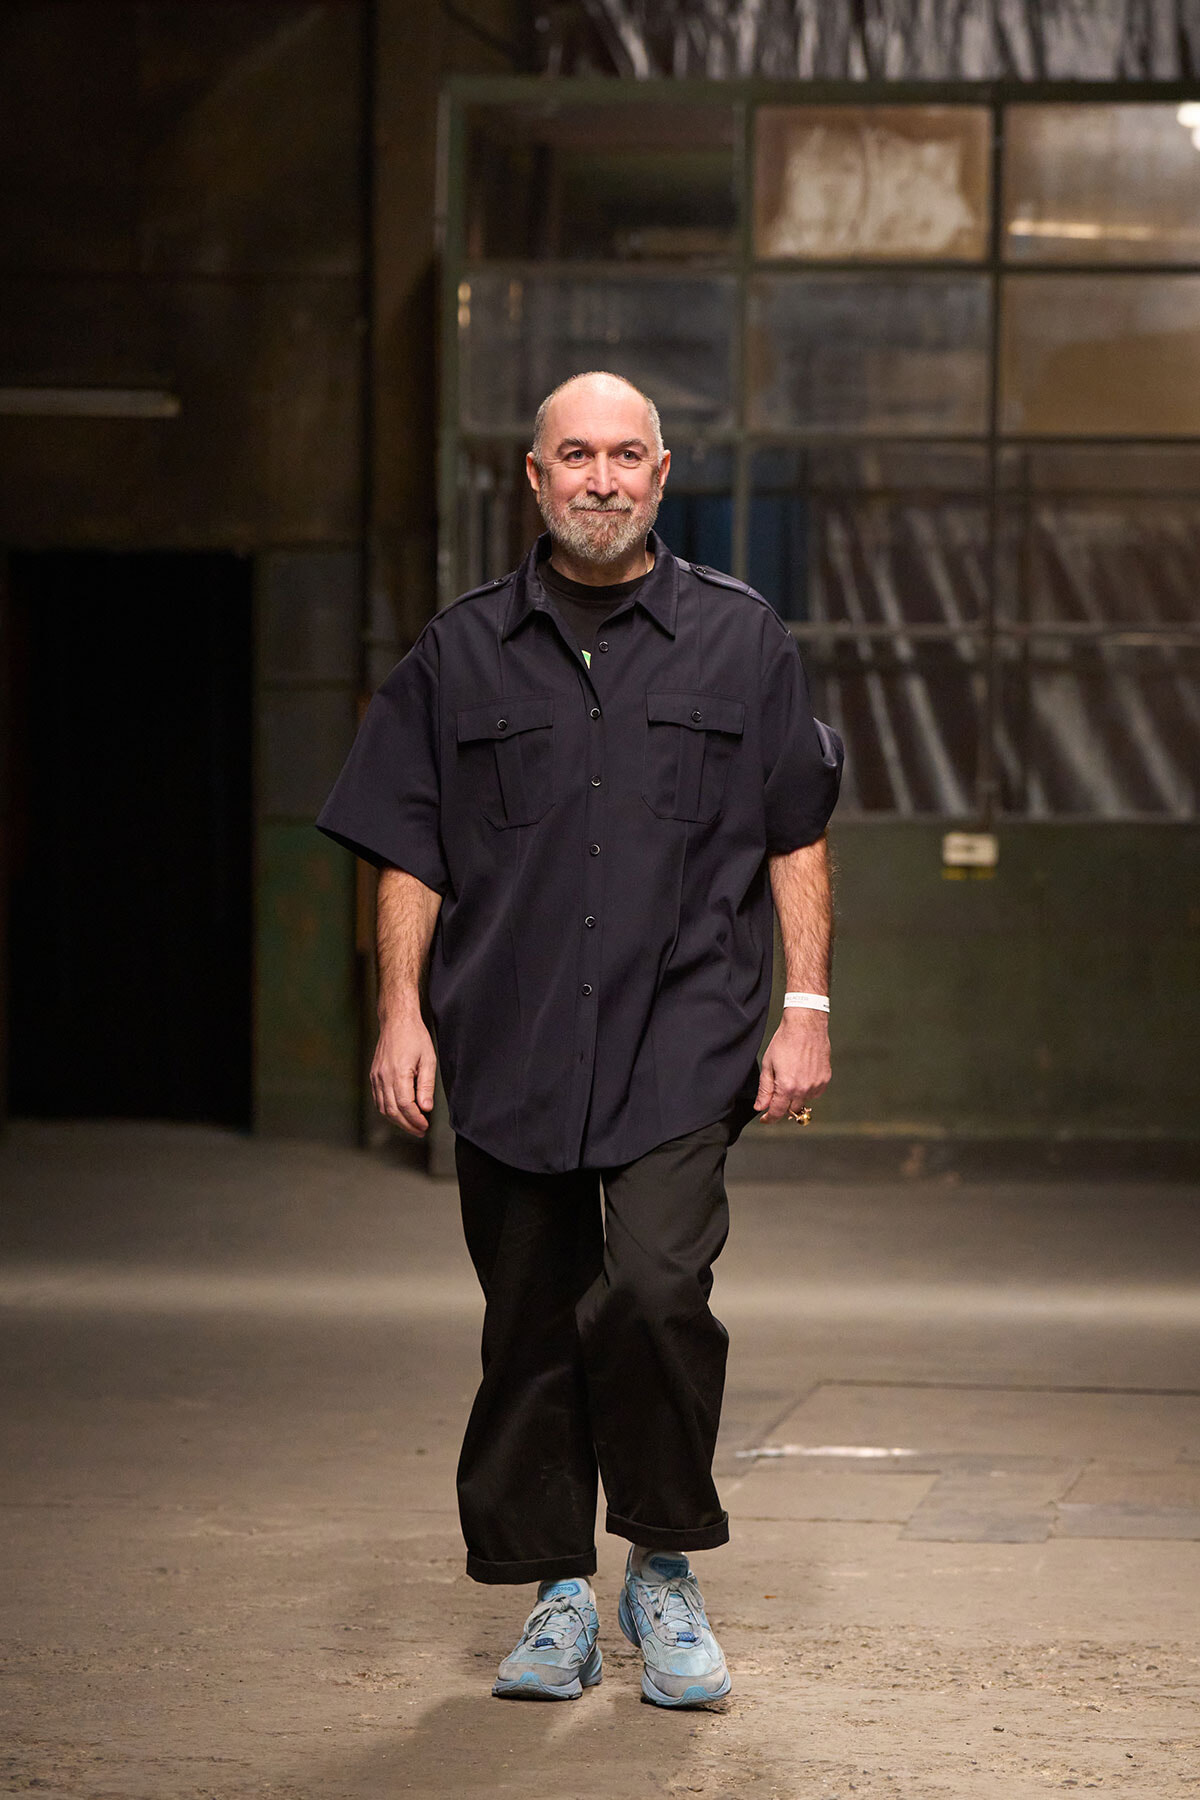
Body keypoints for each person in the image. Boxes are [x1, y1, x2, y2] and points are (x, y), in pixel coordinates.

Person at [317, 370, 843, 1708]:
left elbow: (796, 828)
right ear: (536, 477)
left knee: (657, 1288)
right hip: (512, 1031)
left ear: (661, 475)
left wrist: (807, 1007)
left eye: (624, 455)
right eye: (574, 456)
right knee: (530, 1320)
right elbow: (408, 846)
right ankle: (556, 1592)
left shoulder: (741, 638)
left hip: (684, 1030)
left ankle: (661, 1565)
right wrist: (399, 1010)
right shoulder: (460, 651)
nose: (600, 478)